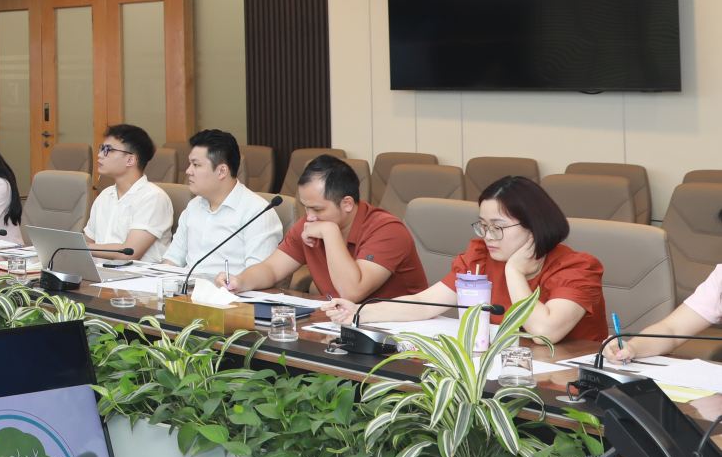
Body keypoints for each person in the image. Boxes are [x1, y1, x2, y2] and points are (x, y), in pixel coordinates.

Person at [325, 175, 608, 344]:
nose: (488, 236)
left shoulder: (578, 268)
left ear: (534, 226)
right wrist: (359, 312)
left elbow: (544, 332)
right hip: (499, 371)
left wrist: (514, 272)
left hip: (564, 385)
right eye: (483, 225)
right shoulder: (481, 256)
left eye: (498, 227)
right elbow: (424, 304)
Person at [220, 154, 429, 303]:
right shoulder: (311, 223)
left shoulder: (387, 230)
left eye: (318, 209)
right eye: (305, 206)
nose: (309, 216)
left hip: (398, 333)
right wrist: (240, 281)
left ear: (347, 203)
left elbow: (351, 292)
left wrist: (330, 233)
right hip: (339, 323)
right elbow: (272, 269)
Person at [158, 129, 283, 283]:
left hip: (231, 294)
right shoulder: (194, 206)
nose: (188, 171)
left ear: (222, 171)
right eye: (190, 164)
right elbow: (172, 260)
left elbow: (259, 276)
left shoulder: (257, 212)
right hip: (186, 292)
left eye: (196, 165)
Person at [83, 123, 174, 257]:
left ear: (130, 160)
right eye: (101, 148)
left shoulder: (153, 197)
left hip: (137, 270)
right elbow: (87, 241)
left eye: (108, 150)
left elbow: (129, 252)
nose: (100, 155)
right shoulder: (105, 195)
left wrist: (82, 248)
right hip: (100, 268)